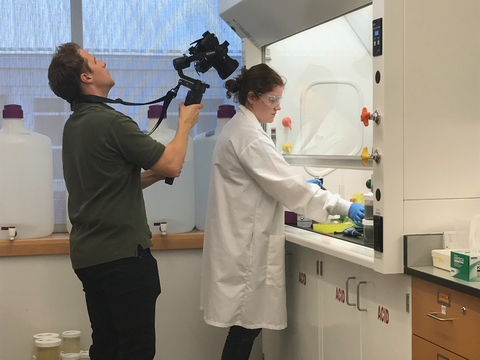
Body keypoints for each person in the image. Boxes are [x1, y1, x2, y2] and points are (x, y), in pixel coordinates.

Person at [48, 42, 203, 360]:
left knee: (106, 347)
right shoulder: (109, 122)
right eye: (94, 60)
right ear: (86, 77)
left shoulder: (75, 125)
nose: (102, 61)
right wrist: (185, 124)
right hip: (123, 259)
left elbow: (110, 185)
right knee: (136, 351)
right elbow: (172, 163)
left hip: (90, 257)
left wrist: (155, 173)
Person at [200, 63, 364, 360]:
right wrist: (342, 205)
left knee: (243, 331)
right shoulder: (248, 136)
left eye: (279, 100)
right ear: (252, 97)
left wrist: (304, 185)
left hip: (240, 242)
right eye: (272, 100)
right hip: (244, 249)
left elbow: (280, 180)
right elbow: (289, 185)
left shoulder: (241, 129)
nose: (277, 108)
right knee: (244, 331)